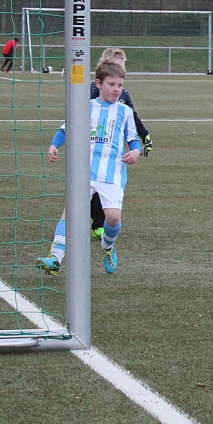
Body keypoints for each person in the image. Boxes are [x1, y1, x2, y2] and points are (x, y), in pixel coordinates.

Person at [35, 61, 141, 275]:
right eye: (111, 84)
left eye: (120, 85)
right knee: (70, 213)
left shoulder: (125, 111)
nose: (117, 89)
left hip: (111, 174)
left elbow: (132, 137)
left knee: (113, 218)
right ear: (98, 84)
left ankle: (107, 248)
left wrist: (135, 151)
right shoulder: (86, 106)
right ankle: (55, 258)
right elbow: (66, 129)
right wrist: (54, 145)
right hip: (83, 172)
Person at [89, 48, 153, 240]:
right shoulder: (93, 91)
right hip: (92, 149)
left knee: (107, 186)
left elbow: (133, 116)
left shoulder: (123, 94)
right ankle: (87, 221)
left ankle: (98, 224)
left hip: (112, 152)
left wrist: (144, 135)